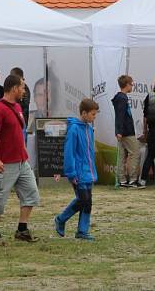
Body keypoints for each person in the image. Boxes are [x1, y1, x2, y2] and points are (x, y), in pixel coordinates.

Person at [0, 74, 40, 245]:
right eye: (22, 87)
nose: (24, 91)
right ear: (14, 88)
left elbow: (18, 134)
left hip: (21, 161)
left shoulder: (17, 107)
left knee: (31, 194)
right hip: (5, 163)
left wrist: (24, 154)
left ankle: (22, 230)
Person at [54, 98, 99, 241]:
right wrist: (71, 172)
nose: (94, 117)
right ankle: (61, 219)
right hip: (78, 173)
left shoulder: (89, 129)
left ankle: (82, 231)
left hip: (88, 172)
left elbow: (89, 152)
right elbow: (69, 152)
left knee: (88, 202)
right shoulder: (74, 129)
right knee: (82, 199)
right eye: (92, 114)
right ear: (84, 113)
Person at [112, 75, 143, 189]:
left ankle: (122, 180)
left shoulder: (121, 97)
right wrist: (119, 131)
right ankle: (133, 180)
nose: (132, 86)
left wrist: (118, 131)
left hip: (122, 131)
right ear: (127, 85)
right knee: (135, 152)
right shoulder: (122, 99)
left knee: (122, 155)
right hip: (126, 132)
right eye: (131, 84)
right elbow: (120, 116)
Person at [10, 68, 31, 143]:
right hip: (16, 123)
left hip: (21, 123)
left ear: (17, 76)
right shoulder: (16, 87)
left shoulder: (24, 88)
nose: (10, 77)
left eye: (11, 75)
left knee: (21, 146)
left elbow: (25, 105)